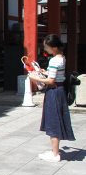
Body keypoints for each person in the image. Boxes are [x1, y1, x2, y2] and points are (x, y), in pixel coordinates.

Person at [28, 34, 75, 162]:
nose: (45, 49)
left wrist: (34, 77)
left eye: (46, 47)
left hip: (53, 91)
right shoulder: (62, 58)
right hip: (59, 90)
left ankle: (55, 154)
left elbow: (50, 81)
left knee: (53, 121)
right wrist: (45, 72)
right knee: (56, 119)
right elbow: (55, 75)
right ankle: (55, 151)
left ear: (53, 47)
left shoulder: (54, 60)